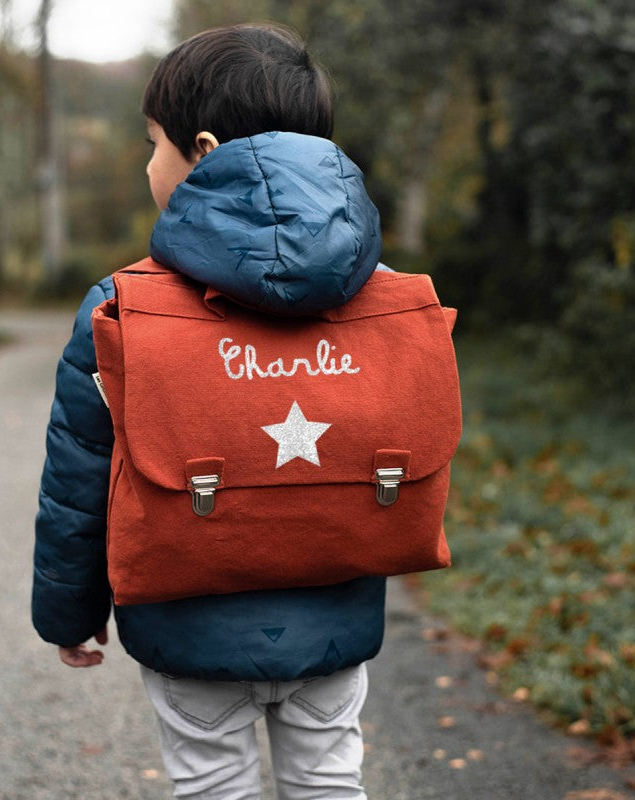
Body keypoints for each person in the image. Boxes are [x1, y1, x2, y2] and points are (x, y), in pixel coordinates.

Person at [33, 24, 386, 800]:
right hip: (335, 614)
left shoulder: (122, 308)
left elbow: (80, 480)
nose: (146, 162)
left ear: (201, 148)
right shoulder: (383, 299)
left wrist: (69, 609)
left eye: (153, 142)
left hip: (184, 617)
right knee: (330, 779)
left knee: (210, 786)